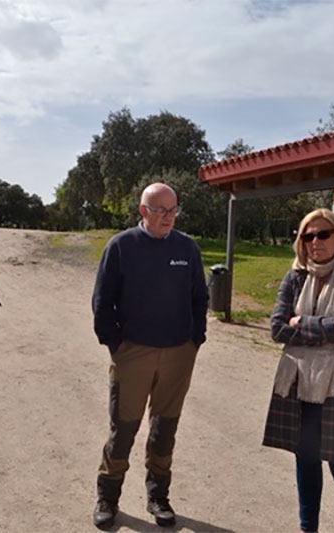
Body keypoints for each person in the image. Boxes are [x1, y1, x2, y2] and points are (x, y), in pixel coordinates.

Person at [90, 182, 208, 530]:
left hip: (178, 354)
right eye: (161, 211)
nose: (169, 217)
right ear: (143, 211)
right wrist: (116, 344)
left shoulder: (187, 248)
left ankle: (158, 497)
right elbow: (102, 301)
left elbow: (199, 297)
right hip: (133, 354)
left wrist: (195, 339)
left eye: (173, 210)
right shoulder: (121, 246)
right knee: (123, 429)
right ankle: (108, 499)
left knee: (164, 429)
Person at [263, 208, 334, 533]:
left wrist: (304, 323)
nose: (315, 241)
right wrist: (326, 328)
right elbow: (277, 329)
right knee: (307, 460)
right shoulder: (295, 278)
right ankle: (306, 528)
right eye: (307, 236)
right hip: (301, 383)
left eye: (322, 234)